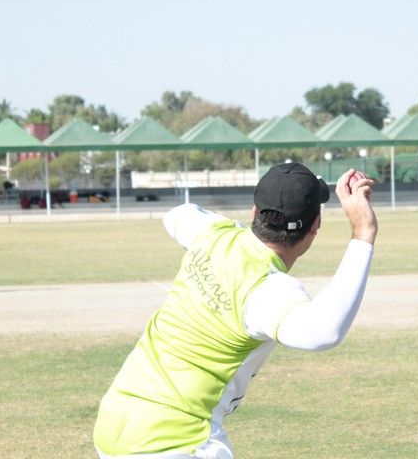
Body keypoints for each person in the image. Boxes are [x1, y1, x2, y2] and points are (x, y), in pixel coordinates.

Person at [93, 163, 378, 459]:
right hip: (176, 441)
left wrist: (231, 232)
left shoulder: (212, 234)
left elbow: (177, 214)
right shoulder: (267, 289)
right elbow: (324, 332)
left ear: (254, 212)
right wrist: (363, 231)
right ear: (315, 226)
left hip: (114, 421)